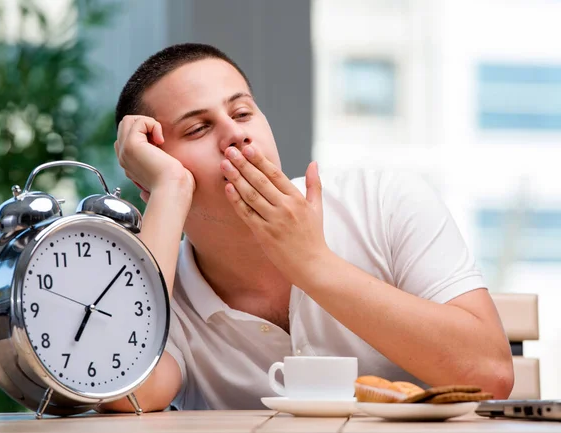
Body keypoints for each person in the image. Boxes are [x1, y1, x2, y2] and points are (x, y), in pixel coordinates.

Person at [102, 43, 514, 412]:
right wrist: (169, 191)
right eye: (198, 128)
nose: (236, 134)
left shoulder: (385, 200)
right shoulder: (161, 291)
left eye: (242, 112)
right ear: (149, 177)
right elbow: (126, 391)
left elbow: (490, 374)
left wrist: (313, 264)